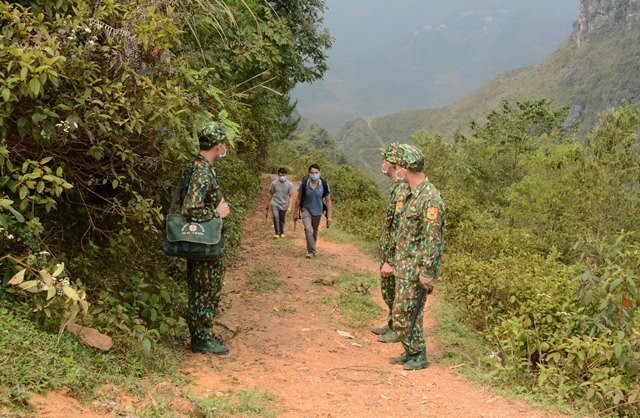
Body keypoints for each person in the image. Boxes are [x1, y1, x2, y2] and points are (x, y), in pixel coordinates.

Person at [389, 144, 445, 370]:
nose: (396, 170)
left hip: (416, 269)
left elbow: (432, 239)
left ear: (406, 168)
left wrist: (427, 272)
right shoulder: (412, 195)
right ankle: (410, 351)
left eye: (398, 166)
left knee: (404, 314)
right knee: (407, 313)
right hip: (404, 267)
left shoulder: (429, 198)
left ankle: (419, 354)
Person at [180, 121, 231, 355]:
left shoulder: (201, 167)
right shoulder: (201, 171)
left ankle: (203, 333)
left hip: (207, 241)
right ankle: (201, 339)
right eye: (223, 145)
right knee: (204, 289)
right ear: (218, 146)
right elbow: (191, 208)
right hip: (203, 242)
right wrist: (216, 213)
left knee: (205, 288)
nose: (224, 149)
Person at [371, 143, 410, 344]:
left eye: (384, 161)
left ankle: (399, 329)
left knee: (396, 292)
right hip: (390, 254)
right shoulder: (396, 189)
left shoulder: (402, 190)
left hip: (397, 256)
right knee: (388, 290)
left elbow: (400, 228)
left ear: (392, 164)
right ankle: (392, 322)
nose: (382, 164)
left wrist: (392, 261)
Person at [293, 164, 333, 258]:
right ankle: (311, 251)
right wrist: (295, 212)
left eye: (316, 173)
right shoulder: (304, 184)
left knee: (314, 231)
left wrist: (329, 216)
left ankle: (311, 249)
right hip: (305, 209)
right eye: (312, 173)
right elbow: (298, 199)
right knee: (308, 229)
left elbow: (328, 201)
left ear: (320, 173)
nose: (314, 174)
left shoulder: (323, 184)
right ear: (309, 173)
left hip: (318, 211)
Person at [265, 167, 295, 238]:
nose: (282, 177)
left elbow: (291, 196)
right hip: (275, 203)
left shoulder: (290, 184)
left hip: (284, 204)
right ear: (278, 175)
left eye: (283, 175)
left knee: (282, 219)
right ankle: (277, 233)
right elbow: (270, 193)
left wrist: (290, 206)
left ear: (286, 175)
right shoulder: (274, 183)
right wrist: (267, 203)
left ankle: (282, 232)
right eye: (280, 175)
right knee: (275, 217)